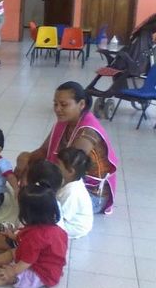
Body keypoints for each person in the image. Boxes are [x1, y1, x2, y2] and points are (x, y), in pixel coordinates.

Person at [15, 81, 119, 214]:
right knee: (27, 164)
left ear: (81, 104)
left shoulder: (88, 132)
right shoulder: (64, 122)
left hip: (90, 195)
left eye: (64, 105)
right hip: (66, 183)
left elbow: (67, 171)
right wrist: (26, 159)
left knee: (38, 208)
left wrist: (30, 176)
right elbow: (43, 152)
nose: (58, 109)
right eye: (55, 104)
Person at [0, 184, 68, 288]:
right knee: (14, 251)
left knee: (7, 277)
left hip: (42, 274)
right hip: (50, 267)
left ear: (28, 213)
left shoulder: (36, 236)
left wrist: (12, 271)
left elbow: (27, 261)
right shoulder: (57, 230)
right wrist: (13, 236)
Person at [55, 147, 94, 239]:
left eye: (58, 165)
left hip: (74, 226)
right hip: (69, 218)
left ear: (70, 172)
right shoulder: (69, 181)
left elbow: (60, 217)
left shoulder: (72, 192)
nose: (56, 167)